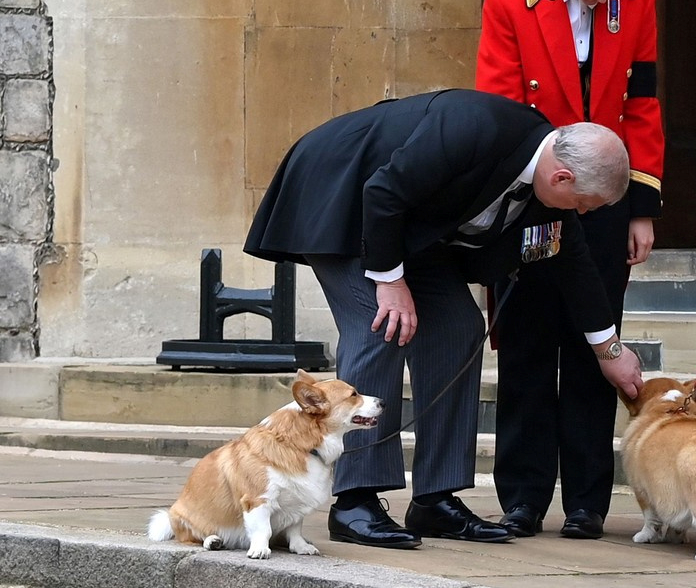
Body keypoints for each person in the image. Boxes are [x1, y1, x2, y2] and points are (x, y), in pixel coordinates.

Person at [243, 89, 644, 550]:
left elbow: (574, 263)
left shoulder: (546, 191)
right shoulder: (476, 127)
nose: (583, 213)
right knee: (382, 326)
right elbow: (383, 191)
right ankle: (355, 500)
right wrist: (390, 283)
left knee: (459, 328)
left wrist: (608, 349)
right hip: (343, 197)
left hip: (411, 230)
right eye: (584, 203)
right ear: (562, 176)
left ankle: (435, 498)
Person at [475, 0, 664, 541]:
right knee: (527, 343)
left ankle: (587, 502)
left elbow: (643, 101)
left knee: (594, 345)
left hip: (605, 193)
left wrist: (642, 206)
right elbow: (498, 108)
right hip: (537, 186)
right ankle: (522, 498)